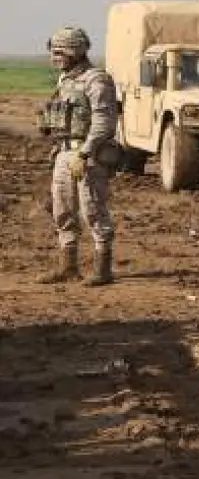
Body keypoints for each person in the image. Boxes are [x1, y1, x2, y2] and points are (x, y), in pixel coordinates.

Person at [37, 26, 118, 286]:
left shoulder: (96, 80)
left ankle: (103, 270)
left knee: (93, 209)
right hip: (64, 152)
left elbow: (104, 122)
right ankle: (68, 267)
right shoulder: (65, 80)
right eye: (54, 52)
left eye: (60, 52)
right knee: (62, 209)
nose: (55, 58)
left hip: (88, 155)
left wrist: (84, 154)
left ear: (76, 52)